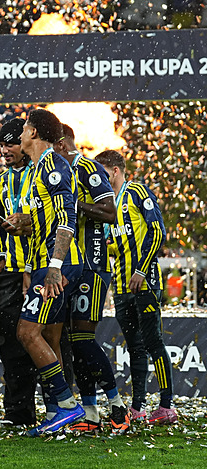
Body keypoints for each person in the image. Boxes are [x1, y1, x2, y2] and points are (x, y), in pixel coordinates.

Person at [7, 109, 84, 436]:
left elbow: (67, 217)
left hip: (55, 264)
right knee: (49, 335)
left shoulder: (53, 165)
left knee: (27, 333)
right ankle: (56, 409)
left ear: (34, 132)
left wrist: (54, 266)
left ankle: (67, 403)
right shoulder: (39, 168)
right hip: (43, 262)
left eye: (24, 128)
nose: (20, 134)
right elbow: (45, 220)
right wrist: (23, 224)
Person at [54, 126, 129, 433]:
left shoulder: (88, 168)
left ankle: (117, 405)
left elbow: (110, 213)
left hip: (92, 266)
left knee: (83, 339)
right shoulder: (58, 171)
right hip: (70, 267)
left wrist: (74, 206)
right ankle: (91, 414)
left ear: (61, 143)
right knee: (74, 341)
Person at [94, 149, 176, 425]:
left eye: (103, 173)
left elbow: (157, 231)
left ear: (115, 171)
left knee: (153, 342)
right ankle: (138, 405)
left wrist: (141, 269)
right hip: (121, 286)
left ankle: (166, 405)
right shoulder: (109, 205)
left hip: (145, 281)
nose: (99, 179)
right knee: (134, 347)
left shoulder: (137, 192)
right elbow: (116, 246)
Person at [0, 117, 39, 427]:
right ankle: (17, 412)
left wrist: (30, 267)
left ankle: (59, 406)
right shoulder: (1, 182)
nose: (5, 150)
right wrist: (0, 258)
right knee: (9, 339)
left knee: (45, 338)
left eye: (10, 143)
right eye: (1, 145)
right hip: (10, 270)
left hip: (40, 268)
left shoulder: (42, 175)